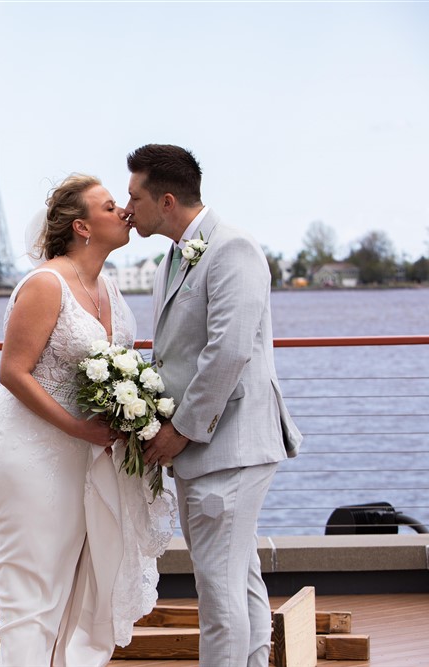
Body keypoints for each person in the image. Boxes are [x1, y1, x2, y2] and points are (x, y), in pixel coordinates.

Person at [0, 174, 174, 667]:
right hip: (32, 451)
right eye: (111, 206)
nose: (125, 211)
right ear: (82, 227)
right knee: (32, 595)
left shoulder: (106, 286)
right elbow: (13, 373)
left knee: (80, 592)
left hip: (87, 458)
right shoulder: (47, 285)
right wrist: (81, 428)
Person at [124, 144, 302, 667]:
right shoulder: (173, 256)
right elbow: (175, 354)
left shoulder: (232, 249)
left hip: (231, 447)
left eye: (135, 196)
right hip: (205, 450)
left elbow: (228, 350)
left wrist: (178, 430)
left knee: (219, 601)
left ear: (168, 200)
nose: (127, 207)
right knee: (238, 580)